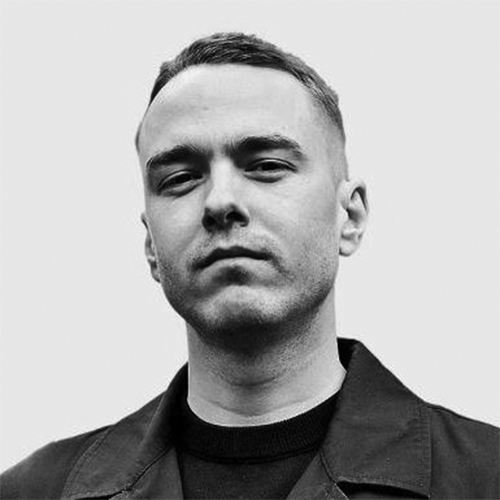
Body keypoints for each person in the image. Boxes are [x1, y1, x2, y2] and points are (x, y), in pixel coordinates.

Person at [1, 32, 498, 500]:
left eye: (267, 166)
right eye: (180, 178)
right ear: (151, 244)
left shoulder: (487, 477)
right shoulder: (33, 491)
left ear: (349, 217)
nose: (220, 201)